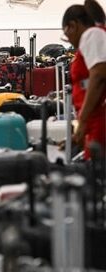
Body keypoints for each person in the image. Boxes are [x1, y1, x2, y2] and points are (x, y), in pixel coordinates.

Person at [62, 0, 106, 159]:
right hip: (95, 119)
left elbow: (99, 76)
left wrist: (82, 121)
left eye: (67, 35)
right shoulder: (96, 35)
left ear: (73, 25)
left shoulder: (91, 35)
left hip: (99, 119)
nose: (70, 42)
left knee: (97, 176)